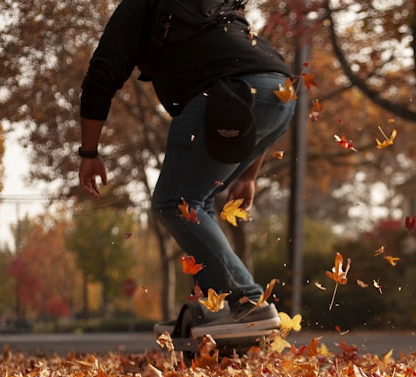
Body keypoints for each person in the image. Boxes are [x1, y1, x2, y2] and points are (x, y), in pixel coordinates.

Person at [77, 0, 294, 337]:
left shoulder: (139, 7)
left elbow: (101, 76)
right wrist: (248, 176)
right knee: (197, 202)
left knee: (175, 201)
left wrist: (89, 151)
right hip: (281, 94)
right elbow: (255, 83)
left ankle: (249, 302)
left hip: (225, 95)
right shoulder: (210, 6)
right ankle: (215, 311)